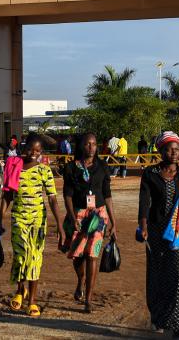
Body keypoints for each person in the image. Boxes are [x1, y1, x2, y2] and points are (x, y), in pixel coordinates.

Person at [0, 134, 64, 318]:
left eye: (38, 151)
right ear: (24, 149)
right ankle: (20, 290)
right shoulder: (14, 166)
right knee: (20, 256)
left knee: (34, 258)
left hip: (38, 221)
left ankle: (31, 300)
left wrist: (60, 225)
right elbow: (7, 196)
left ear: (41, 152)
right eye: (31, 149)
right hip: (18, 218)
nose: (34, 153)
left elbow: (52, 198)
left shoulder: (44, 171)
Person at [138, 131, 179, 339]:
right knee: (157, 275)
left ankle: (178, 328)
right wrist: (143, 225)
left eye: (177, 149)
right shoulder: (151, 173)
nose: (174, 153)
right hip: (156, 232)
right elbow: (145, 202)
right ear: (161, 151)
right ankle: (158, 317)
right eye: (169, 149)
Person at [63, 132, 116, 314]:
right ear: (81, 146)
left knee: (93, 255)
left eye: (93, 144)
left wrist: (113, 221)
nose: (91, 147)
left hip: (98, 215)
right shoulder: (71, 168)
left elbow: (107, 195)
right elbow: (67, 195)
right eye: (87, 144)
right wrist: (71, 216)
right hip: (78, 214)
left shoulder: (102, 166)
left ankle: (89, 299)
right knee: (78, 256)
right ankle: (80, 281)